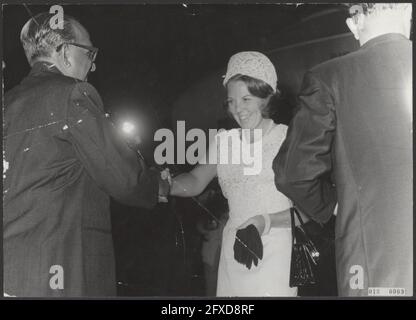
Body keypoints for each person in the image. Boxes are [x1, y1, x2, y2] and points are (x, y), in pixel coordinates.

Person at [3, 12, 170, 297]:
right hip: (56, 274)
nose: (93, 65)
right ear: (65, 52)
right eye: (89, 52)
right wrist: (158, 185)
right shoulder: (72, 93)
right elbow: (124, 178)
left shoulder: (8, 102)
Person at [273, 3, 412, 296]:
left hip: (374, 271)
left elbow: (292, 174)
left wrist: (336, 205)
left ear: (355, 22)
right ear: (408, 13)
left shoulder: (329, 78)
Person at [169, 51, 298, 297]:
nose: (238, 109)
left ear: (265, 97)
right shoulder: (224, 141)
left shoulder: (287, 138)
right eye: (231, 101)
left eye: (246, 99)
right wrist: (163, 185)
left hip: (275, 249)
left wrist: (264, 221)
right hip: (234, 248)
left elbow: (307, 210)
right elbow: (195, 181)